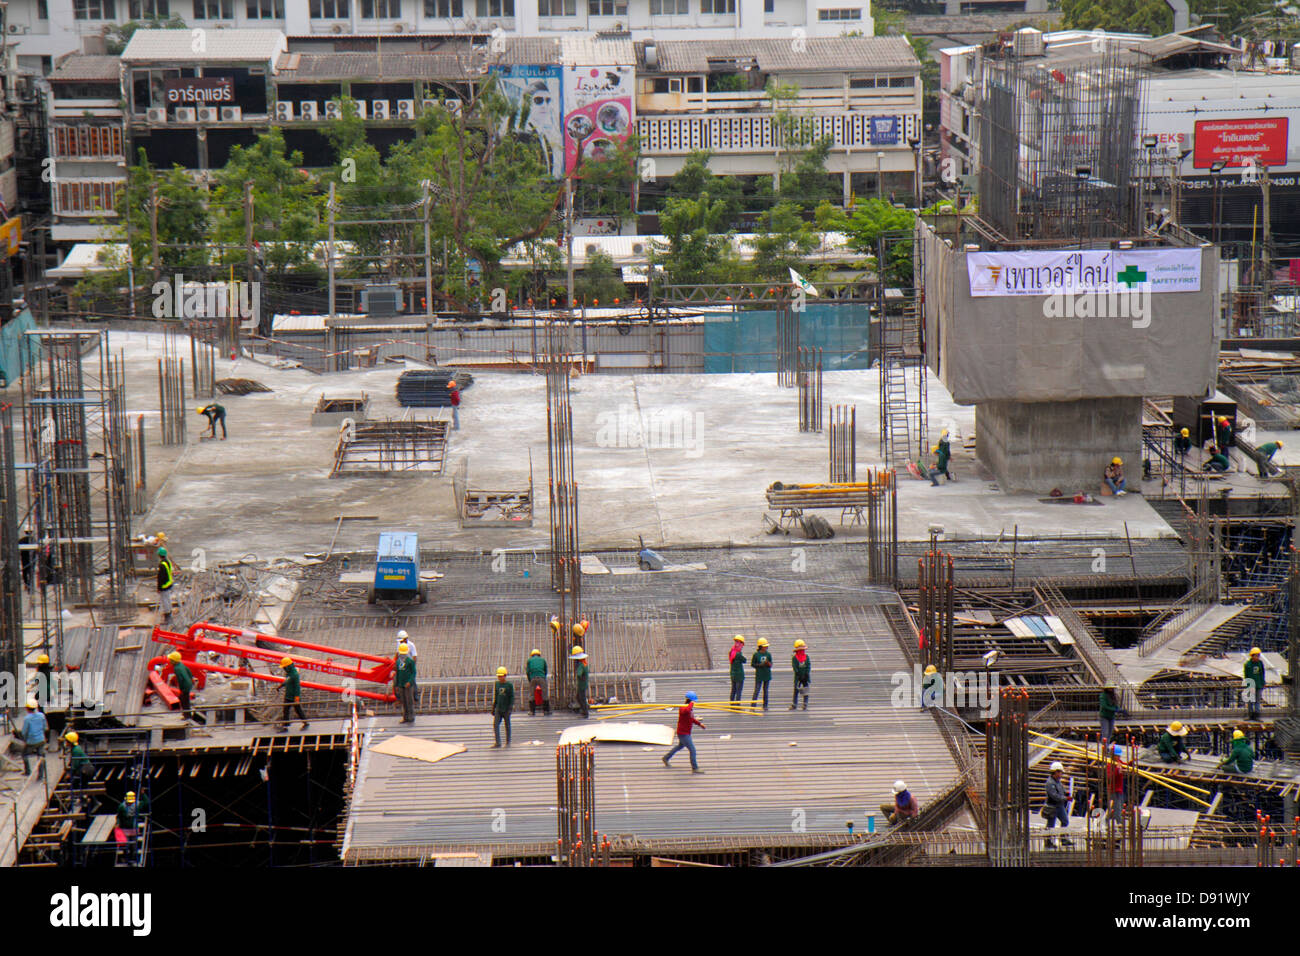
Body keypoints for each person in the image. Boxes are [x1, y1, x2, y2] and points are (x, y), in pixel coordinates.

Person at [662, 691, 706, 772]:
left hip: (685, 733)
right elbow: (686, 711)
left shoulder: (689, 709)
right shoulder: (683, 708)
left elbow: (691, 719)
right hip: (683, 734)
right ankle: (695, 768)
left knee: (679, 746)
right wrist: (691, 704)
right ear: (690, 701)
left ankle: (666, 758)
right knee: (692, 750)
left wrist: (700, 724)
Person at [168, 650, 206, 724]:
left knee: (183, 700)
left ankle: (187, 716)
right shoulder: (181, 664)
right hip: (189, 684)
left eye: (170, 660)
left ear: (173, 661)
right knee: (185, 699)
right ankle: (187, 714)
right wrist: (191, 679)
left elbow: (180, 679)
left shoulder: (176, 668)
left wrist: (181, 689)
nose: (169, 661)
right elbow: (188, 671)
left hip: (185, 685)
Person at [1043, 761, 1073, 848]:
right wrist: (1065, 798)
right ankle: (1048, 842)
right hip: (1052, 807)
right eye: (1059, 772)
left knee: (1065, 821)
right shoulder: (1050, 783)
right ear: (1055, 772)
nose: (1061, 774)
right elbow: (1054, 796)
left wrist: (1066, 794)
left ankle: (1063, 839)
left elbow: (1061, 792)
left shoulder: (1058, 782)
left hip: (1059, 806)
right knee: (1050, 825)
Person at [276, 656, 309, 732]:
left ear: (288, 666)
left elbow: (297, 686)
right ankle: (285, 725)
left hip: (293, 696)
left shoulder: (294, 674)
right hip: (288, 695)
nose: (284, 669)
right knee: (286, 710)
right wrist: (280, 686)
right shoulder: (289, 674)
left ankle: (306, 723)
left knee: (298, 710)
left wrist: (297, 696)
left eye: (284, 667)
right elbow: (287, 681)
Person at [18, 699, 47, 778]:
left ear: (27, 708)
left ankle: (28, 771)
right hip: (41, 739)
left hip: (31, 741)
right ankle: (40, 775)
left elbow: (24, 732)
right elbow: (45, 728)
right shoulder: (41, 715)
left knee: (24, 754)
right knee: (40, 757)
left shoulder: (27, 719)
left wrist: (25, 740)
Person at [394, 643, 417, 724]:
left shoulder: (410, 662)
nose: (402, 655)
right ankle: (405, 717)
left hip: (408, 685)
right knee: (404, 701)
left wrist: (409, 682)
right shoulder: (398, 662)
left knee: (409, 701)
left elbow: (413, 673)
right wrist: (396, 685)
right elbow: (398, 674)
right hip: (401, 685)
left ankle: (411, 717)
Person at [491, 666, 513, 747]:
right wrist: (494, 707)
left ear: (505, 675)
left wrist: (510, 707)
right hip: (499, 708)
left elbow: (512, 697)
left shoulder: (509, 685)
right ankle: (498, 742)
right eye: (498, 676)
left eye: (501, 676)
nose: (500, 678)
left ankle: (508, 742)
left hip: (506, 708)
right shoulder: (497, 684)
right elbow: (496, 696)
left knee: (507, 725)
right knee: (495, 724)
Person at [750, 637, 773, 711]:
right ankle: (753, 706)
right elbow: (753, 664)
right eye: (765, 646)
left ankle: (765, 705)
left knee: (765, 691)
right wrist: (760, 665)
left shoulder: (768, 654)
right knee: (757, 690)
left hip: (767, 675)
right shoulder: (756, 655)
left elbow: (771, 664)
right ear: (760, 647)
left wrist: (768, 663)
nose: (766, 647)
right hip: (759, 675)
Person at [526, 648, 550, 716]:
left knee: (531, 694)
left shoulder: (529, 660)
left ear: (532, 655)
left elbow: (527, 671)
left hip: (533, 677)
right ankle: (546, 711)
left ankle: (532, 711)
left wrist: (530, 679)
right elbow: (545, 670)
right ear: (539, 654)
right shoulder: (543, 660)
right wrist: (543, 677)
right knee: (544, 694)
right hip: (541, 677)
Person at [1244, 647, 1265, 721]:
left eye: (1258, 656)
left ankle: (1257, 716)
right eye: (1256, 655)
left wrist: (1263, 683)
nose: (1257, 657)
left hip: (1259, 685)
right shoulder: (1248, 665)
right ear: (1252, 656)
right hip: (1251, 686)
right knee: (1250, 701)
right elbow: (1246, 676)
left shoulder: (1260, 663)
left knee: (1257, 701)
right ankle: (1250, 715)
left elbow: (1262, 673)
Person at [790, 639, 811, 710]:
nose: (802, 651)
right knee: (796, 690)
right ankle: (794, 704)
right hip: (798, 677)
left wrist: (806, 674)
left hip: (805, 677)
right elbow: (794, 667)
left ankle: (805, 704)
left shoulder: (806, 657)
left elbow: (808, 666)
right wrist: (798, 674)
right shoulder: (794, 658)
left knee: (805, 690)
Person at [156, 547, 176, 624]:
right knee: (168, 599)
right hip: (169, 583)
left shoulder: (162, 565)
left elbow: (160, 577)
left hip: (164, 585)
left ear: (159, 555)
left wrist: (159, 587)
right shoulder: (168, 562)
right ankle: (169, 612)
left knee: (164, 601)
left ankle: (167, 616)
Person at [1105, 744, 1126, 814]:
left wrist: (1131, 763)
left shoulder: (1119, 762)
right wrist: (1117, 769)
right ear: (1113, 755)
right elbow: (1109, 777)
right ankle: (1117, 822)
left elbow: (1125, 766)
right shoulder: (1109, 764)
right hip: (1113, 790)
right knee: (1116, 808)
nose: (1119, 757)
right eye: (1117, 755)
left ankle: (1118, 821)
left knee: (1120, 807)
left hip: (1120, 789)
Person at [571, 645, 589, 718]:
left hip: (581, 684)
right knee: (579, 697)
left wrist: (577, 670)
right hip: (584, 683)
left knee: (581, 698)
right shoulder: (584, 662)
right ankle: (583, 710)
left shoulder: (581, 665)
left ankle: (585, 712)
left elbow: (579, 674)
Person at [728, 635, 746, 702]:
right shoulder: (738, 654)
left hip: (733, 674)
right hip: (739, 675)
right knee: (738, 691)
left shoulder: (732, 652)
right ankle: (737, 704)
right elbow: (744, 660)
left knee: (733, 689)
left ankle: (732, 703)